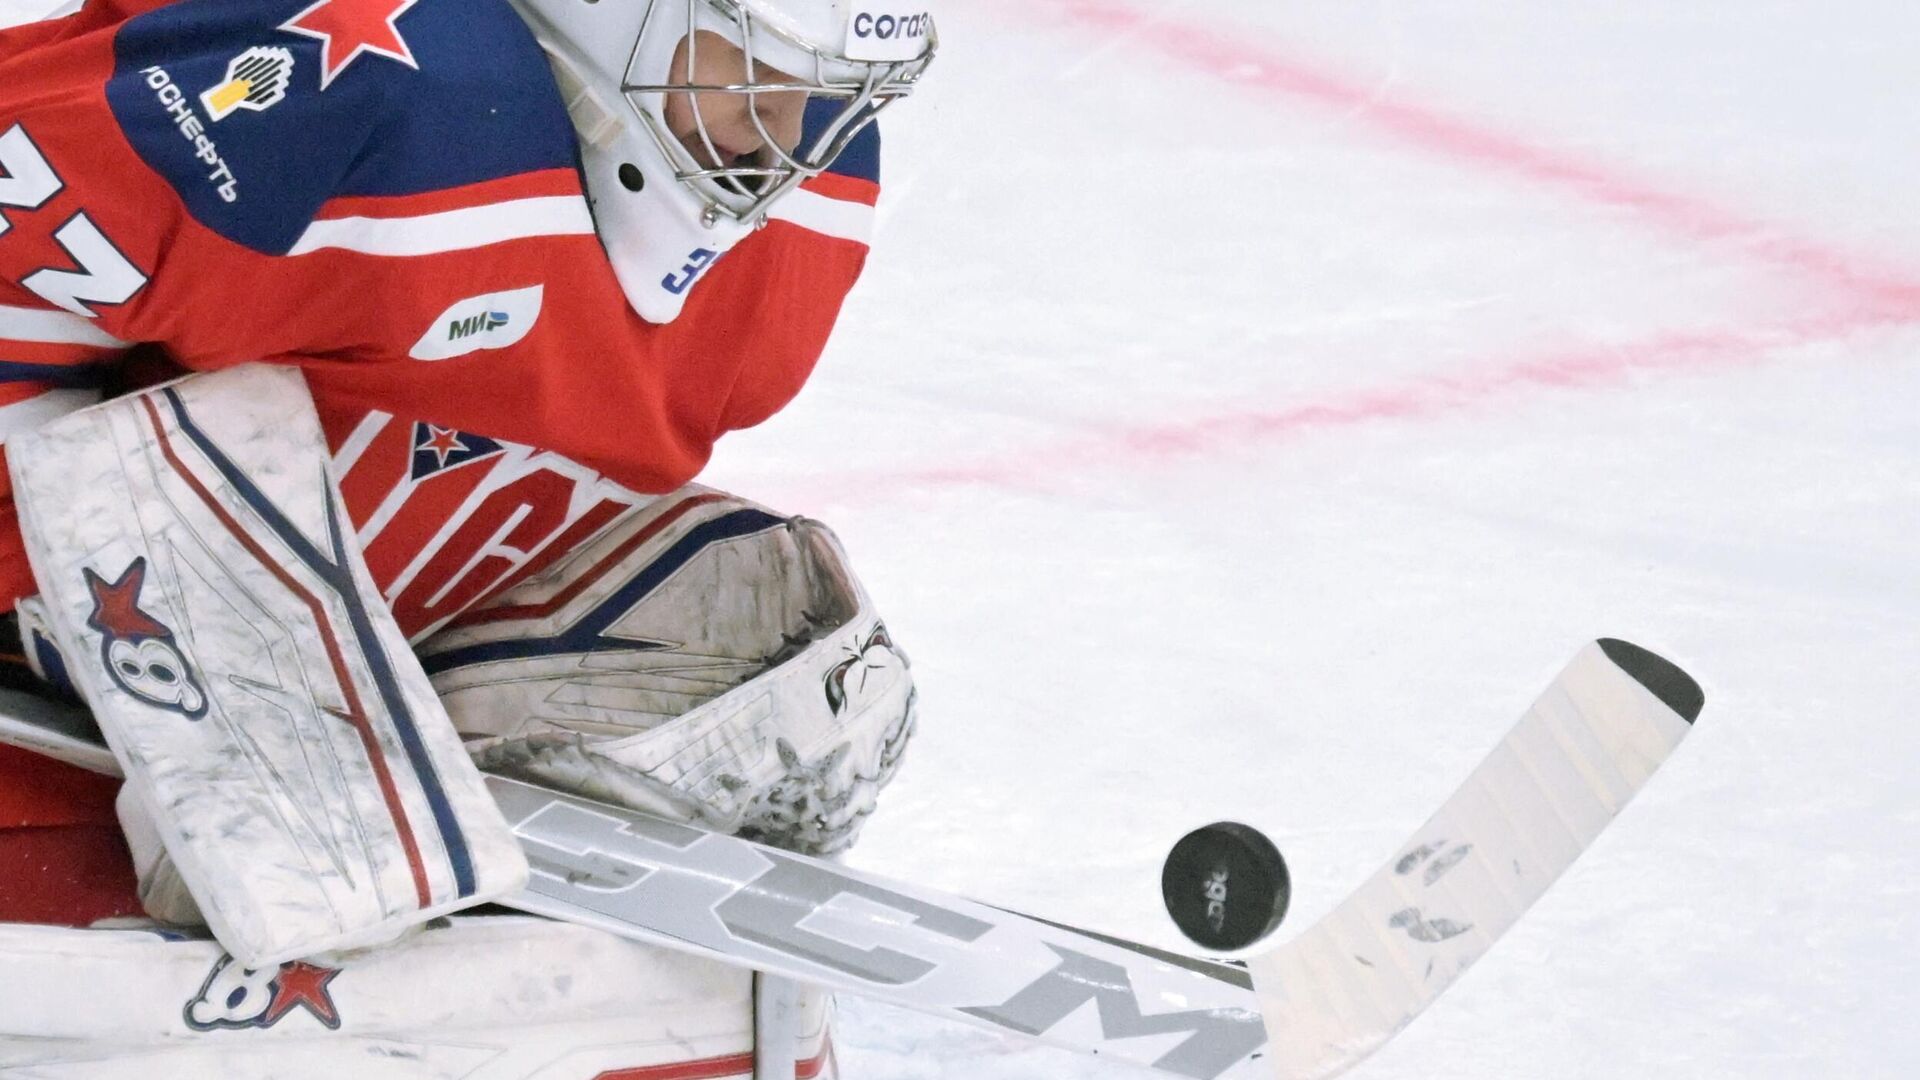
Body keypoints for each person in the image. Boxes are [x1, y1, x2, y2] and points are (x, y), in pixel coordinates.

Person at [0, 0, 937, 1053]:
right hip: (59, 626)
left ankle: (432, 881)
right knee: (309, 830)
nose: (795, 133)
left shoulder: (813, 190)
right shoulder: (366, 93)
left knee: (780, 644)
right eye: (757, 68)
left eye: (835, 88)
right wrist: (117, 588)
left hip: (388, 603)